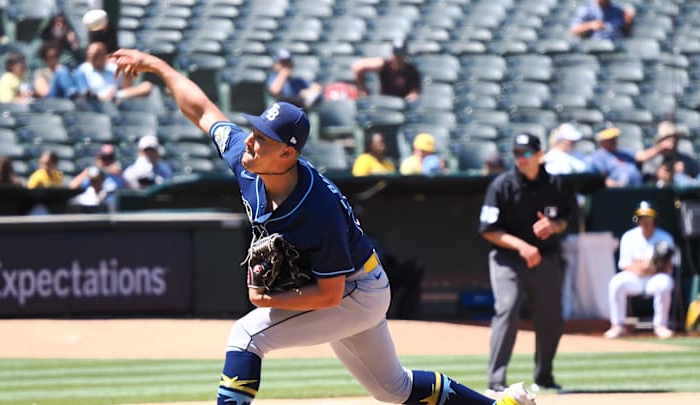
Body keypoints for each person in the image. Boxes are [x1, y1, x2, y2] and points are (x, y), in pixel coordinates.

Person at [109, 48, 536, 405]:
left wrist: (265, 299)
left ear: (288, 156)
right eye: (254, 130)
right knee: (396, 389)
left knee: (247, 336)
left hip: (352, 290)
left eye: (263, 138)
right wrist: (160, 68)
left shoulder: (317, 208)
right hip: (357, 287)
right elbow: (203, 111)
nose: (251, 140)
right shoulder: (247, 156)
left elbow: (329, 295)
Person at [479, 133, 574, 395]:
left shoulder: (555, 184)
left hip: (545, 257)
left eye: (526, 153)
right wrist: (522, 246)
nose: (521, 158)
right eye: (517, 153)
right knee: (507, 309)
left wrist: (554, 226)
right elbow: (488, 229)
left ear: (540, 154)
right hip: (507, 258)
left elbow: (567, 219)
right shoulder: (502, 185)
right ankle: (496, 380)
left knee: (551, 317)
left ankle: (544, 376)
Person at [604, 201, 675, 340]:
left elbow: (668, 267)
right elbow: (625, 264)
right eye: (642, 218)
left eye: (648, 218)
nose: (645, 222)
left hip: (655, 278)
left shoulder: (665, 238)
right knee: (616, 282)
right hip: (635, 279)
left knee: (664, 283)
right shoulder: (628, 236)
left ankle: (660, 325)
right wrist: (646, 267)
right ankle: (618, 325)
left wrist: (651, 267)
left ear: (655, 220)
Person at [75, 42, 154, 108]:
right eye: (90, 56)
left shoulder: (113, 68)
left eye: (96, 57)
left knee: (147, 86)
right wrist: (103, 97)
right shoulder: (83, 70)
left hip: (117, 99)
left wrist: (125, 71)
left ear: (104, 56)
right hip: (97, 104)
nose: (92, 60)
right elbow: (84, 94)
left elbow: (127, 88)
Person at [352, 38, 421, 102]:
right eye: (396, 53)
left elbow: (414, 92)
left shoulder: (412, 71)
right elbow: (357, 67)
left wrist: (411, 97)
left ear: (405, 54)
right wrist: (362, 90)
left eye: (401, 53)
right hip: (383, 103)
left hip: (401, 105)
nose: (398, 57)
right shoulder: (384, 65)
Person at [571, 0, 635, 40]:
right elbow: (574, 31)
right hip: (595, 48)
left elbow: (627, 33)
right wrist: (590, 25)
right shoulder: (586, 10)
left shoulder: (618, 10)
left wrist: (628, 23)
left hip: (617, 46)